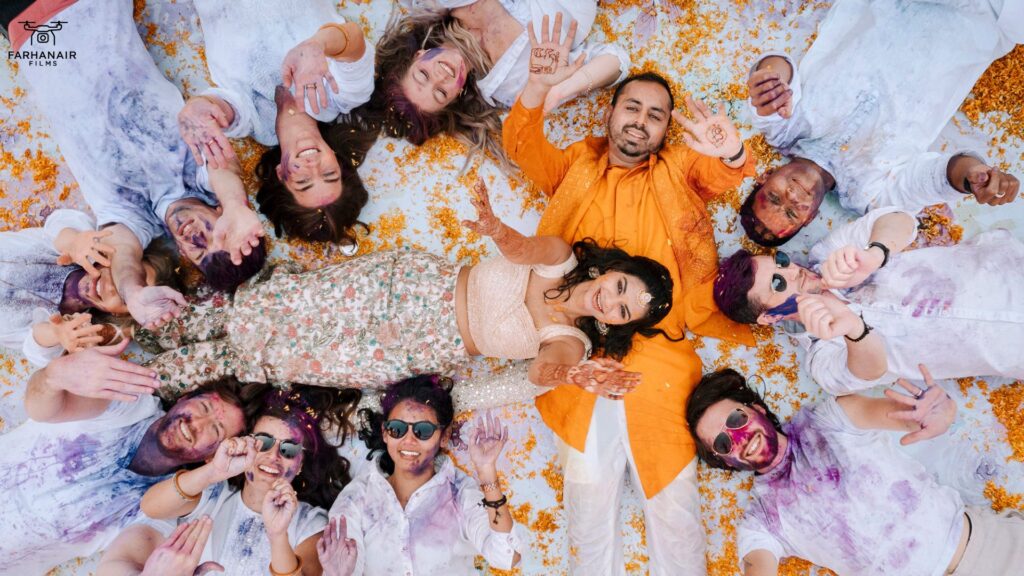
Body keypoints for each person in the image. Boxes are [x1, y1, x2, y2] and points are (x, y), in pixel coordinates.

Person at [501, 16, 757, 575]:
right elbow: (523, 146)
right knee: (588, 507)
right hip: (582, 349)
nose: (641, 120)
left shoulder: (678, 170)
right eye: (632, 107)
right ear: (611, 113)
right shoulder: (575, 167)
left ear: (665, 132)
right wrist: (537, 87)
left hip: (661, 353)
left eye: (655, 115)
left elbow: (722, 173)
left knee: (673, 501)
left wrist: (735, 152)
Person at [141, 180, 675, 405]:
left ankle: (149, 378)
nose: (611, 301)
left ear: (619, 324)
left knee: (282, 355)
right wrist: (494, 229)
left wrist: (571, 375)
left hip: (416, 346)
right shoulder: (563, 259)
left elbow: (539, 372)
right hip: (413, 284)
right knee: (281, 305)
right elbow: (522, 250)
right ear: (611, 270)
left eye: (623, 311)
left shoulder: (573, 343)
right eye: (620, 287)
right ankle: (160, 321)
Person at [10, 0, 267, 329]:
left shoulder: (134, 220)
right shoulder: (202, 170)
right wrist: (235, 205)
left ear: (184, 256)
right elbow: (225, 170)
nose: (196, 238)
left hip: (26, 31)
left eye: (200, 253)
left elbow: (122, 251)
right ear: (221, 213)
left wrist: (131, 292)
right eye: (218, 233)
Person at [685, 366, 1024, 576]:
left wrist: (935, 413)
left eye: (736, 419)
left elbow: (909, 416)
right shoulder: (761, 521)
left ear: (757, 409)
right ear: (726, 462)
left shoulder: (830, 419)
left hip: (988, 550)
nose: (739, 438)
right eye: (723, 443)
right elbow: (758, 566)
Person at [739, 0, 1022, 246]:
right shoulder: (872, 196)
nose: (790, 197)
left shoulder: (782, 127)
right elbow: (934, 179)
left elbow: (775, 68)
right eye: (792, 212)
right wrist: (973, 176)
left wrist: (770, 81)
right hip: (985, 16)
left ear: (766, 176)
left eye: (774, 197)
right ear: (811, 218)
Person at [714, 206, 1024, 394]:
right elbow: (868, 372)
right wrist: (853, 328)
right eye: (778, 282)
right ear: (769, 317)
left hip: (1006, 268)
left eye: (781, 261)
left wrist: (875, 254)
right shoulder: (822, 356)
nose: (793, 270)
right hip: (1012, 349)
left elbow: (900, 219)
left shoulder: (829, 254)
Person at [0, 345, 250, 574]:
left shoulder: (166, 504)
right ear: (184, 398)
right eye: (204, 408)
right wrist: (52, 376)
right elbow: (43, 408)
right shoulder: (129, 404)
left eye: (216, 430)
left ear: (212, 456)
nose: (196, 424)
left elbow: (119, 564)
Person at [99, 387, 360, 576]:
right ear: (247, 444)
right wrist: (213, 471)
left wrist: (277, 535)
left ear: (300, 464)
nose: (273, 456)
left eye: (289, 449)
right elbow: (151, 506)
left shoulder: (310, 523)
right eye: (264, 442)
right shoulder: (213, 496)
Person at [179, 0, 375, 247]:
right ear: (337, 160)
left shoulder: (253, 122)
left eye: (303, 181)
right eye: (329, 174)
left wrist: (198, 107)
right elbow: (353, 38)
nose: (313, 166)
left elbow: (222, 108)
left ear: (281, 174)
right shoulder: (343, 97)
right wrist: (318, 44)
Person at [343, 3, 629, 167]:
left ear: (418, 55)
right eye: (441, 93)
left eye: (423, 75)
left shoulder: (433, 6)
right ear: (455, 96)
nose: (440, 77)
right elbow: (617, 60)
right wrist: (559, 90)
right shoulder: (513, 84)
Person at [321, 374, 522, 575]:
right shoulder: (356, 498)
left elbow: (507, 555)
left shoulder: (459, 492)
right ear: (385, 432)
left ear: (444, 436)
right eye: (397, 429)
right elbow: (342, 568)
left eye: (423, 430)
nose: (409, 440)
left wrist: (487, 473)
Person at [0, 209, 181, 367]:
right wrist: (73, 241)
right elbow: (58, 223)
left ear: (118, 314)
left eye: (124, 297)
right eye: (122, 275)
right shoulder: (86, 244)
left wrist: (56, 333)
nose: (112, 287)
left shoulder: (74, 326)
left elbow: (35, 347)